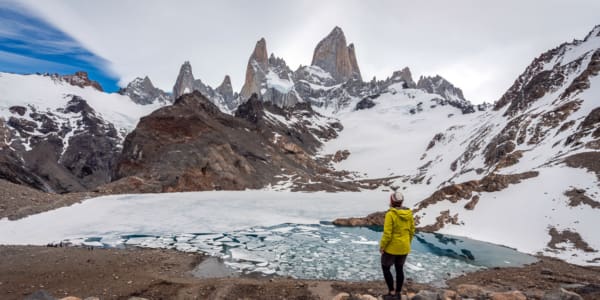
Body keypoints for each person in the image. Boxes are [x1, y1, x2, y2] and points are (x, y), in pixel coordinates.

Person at [379, 191, 415, 299]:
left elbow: (387, 233)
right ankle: (398, 293)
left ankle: (392, 292)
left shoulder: (390, 214)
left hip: (392, 248)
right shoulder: (409, 213)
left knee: (385, 268)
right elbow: (412, 230)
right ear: (401, 201)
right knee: (399, 269)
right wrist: (407, 243)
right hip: (404, 247)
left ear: (391, 201)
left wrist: (382, 246)